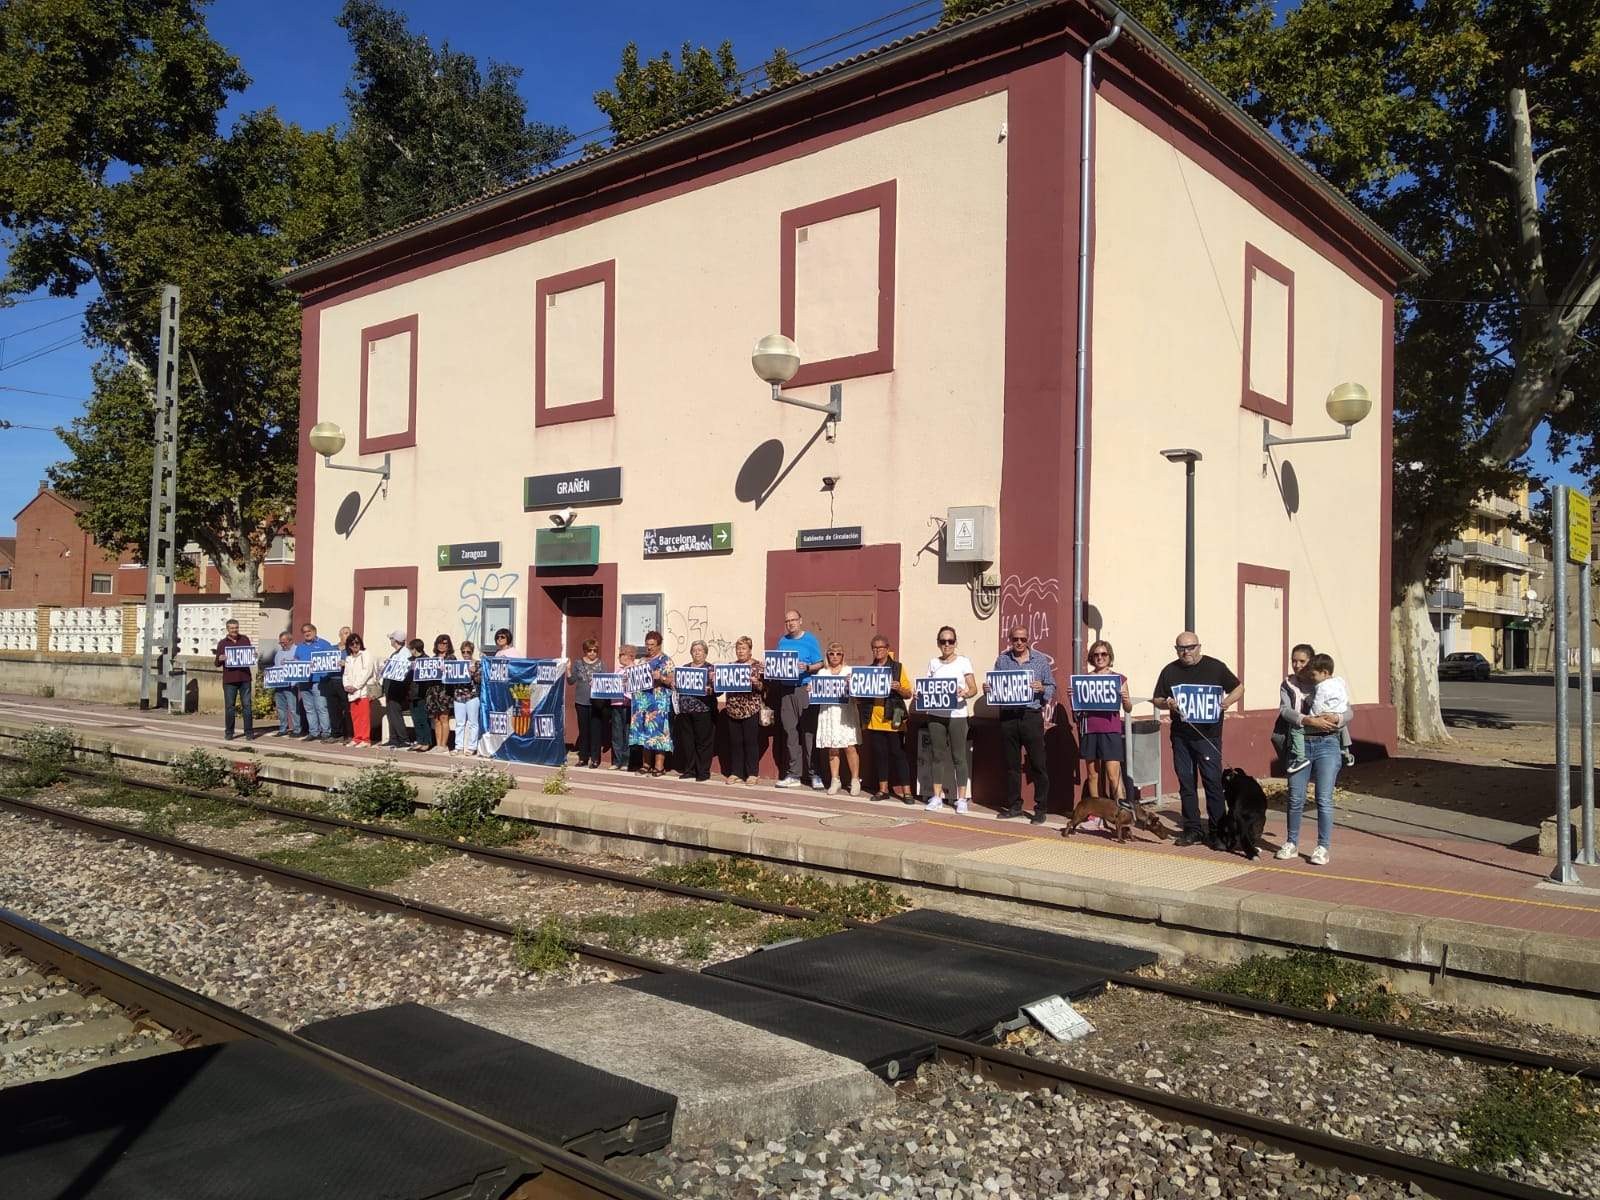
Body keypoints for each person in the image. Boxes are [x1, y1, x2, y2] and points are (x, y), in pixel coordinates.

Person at [1153, 631, 1243, 848]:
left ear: (1199, 647)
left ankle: (1218, 831)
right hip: (1181, 736)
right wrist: (1168, 704)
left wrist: (1227, 702)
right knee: (1186, 782)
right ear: (1176, 650)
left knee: (1212, 782)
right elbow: (1157, 699)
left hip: (1208, 736)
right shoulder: (1170, 670)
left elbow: (1238, 687)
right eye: (1181, 648)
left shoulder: (1216, 667)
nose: (1186, 652)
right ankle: (1193, 829)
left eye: (1190, 647)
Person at [1278, 652, 1349, 865]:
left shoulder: (1331, 683)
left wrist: (1337, 717)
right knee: (1295, 797)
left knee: (1324, 798)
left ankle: (1322, 847)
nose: (1297, 665)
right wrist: (1308, 720)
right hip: (1300, 744)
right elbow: (1284, 711)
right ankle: (1291, 843)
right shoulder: (1289, 685)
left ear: (1313, 665)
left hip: (1327, 743)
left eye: (1302, 661)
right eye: (1294, 660)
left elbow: (1348, 711)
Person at [988, 625, 1057, 824]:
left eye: (1022, 639)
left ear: (1028, 640)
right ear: (1010, 639)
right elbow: (996, 687)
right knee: (1011, 765)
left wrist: (1042, 688)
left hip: (1031, 715)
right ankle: (1014, 806)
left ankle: (1041, 808)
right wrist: (989, 689)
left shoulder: (1040, 660)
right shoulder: (1002, 660)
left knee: (1038, 763)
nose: (1019, 642)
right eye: (1015, 639)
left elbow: (1051, 685)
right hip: (1008, 716)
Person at [1072, 639, 1133, 827]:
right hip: (1090, 730)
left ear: (1109, 657)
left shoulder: (1119, 679)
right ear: (1092, 657)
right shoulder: (1084, 679)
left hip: (1110, 730)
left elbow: (1128, 708)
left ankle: (1122, 814)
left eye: (1103, 654)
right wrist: (1072, 698)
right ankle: (1095, 814)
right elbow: (1077, 713)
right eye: (1096, 655)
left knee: (1113, 775)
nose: (1100, 658)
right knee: (1092, 775)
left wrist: (1125, 699)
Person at [921, 626, 977, 813]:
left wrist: (965, 692)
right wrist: (920, 693)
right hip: (936, 715)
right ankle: (936, 796)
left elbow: (973, 688)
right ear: (938, 643)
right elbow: (928, 687)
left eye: (950, 641)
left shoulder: (963, 662)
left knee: (959, 757)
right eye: (943, 641)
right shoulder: (933, 663)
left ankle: (961, 799)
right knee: (937, 756)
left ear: (955, 643)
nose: (947, 644)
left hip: (957, 716)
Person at [772, 609, 825, 789]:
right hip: (786, 691)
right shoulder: (782, 641)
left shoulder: (811, 639)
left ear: (800, 621)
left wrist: (808, 667)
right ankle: (794, 774)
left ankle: (814, 773)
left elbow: (820, 663)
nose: (790, 623)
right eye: (787, 621)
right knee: (790, 733)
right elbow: (778, 664)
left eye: (793, 620)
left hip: (805, 690)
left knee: (809, 733)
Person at [861, 636, 914, 803]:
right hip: (874, 720)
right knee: (880, 755)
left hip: (894, 719)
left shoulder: (897, 668)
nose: (877, 651)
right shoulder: (868, 670)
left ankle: (907, 792)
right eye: (874, 648)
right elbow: (861, 696)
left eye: (881, 647)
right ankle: (882, 790)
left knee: (899, 755)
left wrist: (899, 688)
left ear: (887, 648)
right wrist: (853, 685)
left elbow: (908, 694)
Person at [813, 642, 862, 795]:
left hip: (845, 712)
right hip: (828, 712)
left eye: (838, 653)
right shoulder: (822, 673)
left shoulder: (850, 671)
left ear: (843, 655)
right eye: (831, 653)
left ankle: (855, 780)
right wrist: (811, 689)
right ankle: (835, 780)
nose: (835, 656)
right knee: (833, 747)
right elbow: (816, 692)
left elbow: (859, 694)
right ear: (827, 655)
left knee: (849, 746)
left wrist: (852, 684)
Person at [718, 636, 765, 784]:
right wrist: (716, 679)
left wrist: (756, 682)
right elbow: (722, 686)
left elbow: (764, 688)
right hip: (733, 709)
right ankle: (736, 772)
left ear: (750, 650)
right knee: (735, 742)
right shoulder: (731, 666)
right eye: (738, 648)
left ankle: (752, 773)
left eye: (744, 648)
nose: (740, 651)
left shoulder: (758, 666)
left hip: (750, 709)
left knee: (751, 742)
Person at [630, 630, 675, 775]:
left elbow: (672, 681)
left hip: (658, 703)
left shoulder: (665, 660)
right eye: (647, 644)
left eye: (652, 645)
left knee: (658, 733)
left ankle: (659, 766)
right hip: (642, 702)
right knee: (644, 733)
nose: (649, 647)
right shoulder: (642, 661)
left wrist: (660, 677)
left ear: (659, 645)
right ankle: (646, 764)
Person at [675, 640, 715, 782]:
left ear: (705, 653)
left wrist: (710, 688)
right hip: (686, 710)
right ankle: (689, 770)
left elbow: (718, 691)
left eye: (700, 650)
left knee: (703, 742)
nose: (697, 652)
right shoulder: (685, 668)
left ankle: (703, 771)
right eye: (694, 650)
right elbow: (678, 686)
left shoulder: (711, 669)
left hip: (703, 710)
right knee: (688, 741)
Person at [212, 618, 256, 741]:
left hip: (245, 678)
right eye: (232, 628)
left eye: (236, 627)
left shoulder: (245, 639)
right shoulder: (222, 643)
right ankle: (229, 732)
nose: (234, 630)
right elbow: (216, 663)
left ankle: (249, 732)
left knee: (247, 706)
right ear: (227, 629)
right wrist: (220, 659)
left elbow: (249, 656)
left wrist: (253, 656)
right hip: (229, 680)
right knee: (230, 707)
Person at [293, 623, 336, 742]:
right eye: (304, 631)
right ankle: (313, 732)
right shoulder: (300, 646)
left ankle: (326, 732)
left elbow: (333, 658)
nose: (307, 633)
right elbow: (296, 660)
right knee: (309, 708)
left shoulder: (324, 644)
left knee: (321, 707)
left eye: (309, 631)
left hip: (318, 681)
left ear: (314, 631)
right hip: (304, 681)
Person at [568, 639, 604, 768]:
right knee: (583, 731)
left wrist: (597, 684)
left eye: (595, 650)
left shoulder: (601, 664)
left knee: (595, 731)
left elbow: (605, 683)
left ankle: (595, 759)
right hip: (581, 701)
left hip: (596, 702)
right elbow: (571, 681)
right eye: (590, 650)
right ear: (585, 651)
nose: (592, 653)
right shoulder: (578, 663)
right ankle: (583, 757)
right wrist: (568, 670)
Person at [341, 632, 377, 747]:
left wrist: (356, 686)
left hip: (363, 690)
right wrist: (347, 686)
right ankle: (357, 737)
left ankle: (365, 739)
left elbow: (366, 672)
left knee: (364, 716)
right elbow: (345, 674)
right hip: (351, 691)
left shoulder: (366, 654)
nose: (355, 645)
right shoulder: (348, 658)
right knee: (355, 716)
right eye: (352, 644)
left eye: (357, 643)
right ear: (348, 646)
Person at [381, 630, 413, 749]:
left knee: (395, 713)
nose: (390, 641)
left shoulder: (404, 653)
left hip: (398, 689)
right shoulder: (396, 653)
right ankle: (393, 738)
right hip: (391, 688)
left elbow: (402, 671)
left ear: (395, 640)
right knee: (390, 713)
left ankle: (403, 738)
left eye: (391, 639)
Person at [610, 644, 639, 771]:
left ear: (630, 656)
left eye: (621, 654)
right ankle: (617, 761)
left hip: (629, 705)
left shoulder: (636, 670)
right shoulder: (618, 670)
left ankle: (626, 761)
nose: (619, 657)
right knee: (617, 734)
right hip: (616, 704)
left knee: (627, 733)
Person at [425, 634, 456, 751]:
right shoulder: (432, 658)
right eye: (439, 643)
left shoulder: (451, 658)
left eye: (444, 643)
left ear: (448, 645)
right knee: (436, 719)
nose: (442, 646)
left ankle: (444, 745)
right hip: (433, 692)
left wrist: (446, 669)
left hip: (445, 692)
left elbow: (454, 674)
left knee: (444, 717)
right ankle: (438, 744)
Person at [323, 625, 354, 741]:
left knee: (347, 708)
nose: (347, 635)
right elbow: (322, 661)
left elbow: (357, 664)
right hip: (331, 681)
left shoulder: (352, 650)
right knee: (333, 709)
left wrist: (346, 664)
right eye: (345, 633)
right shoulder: (331, 648)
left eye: (349, 633)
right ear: (340, 635)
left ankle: (349, 734)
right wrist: (315, 665)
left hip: (344, 682)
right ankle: (336, 733)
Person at [452, 640, 481, 757]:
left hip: (472, 696)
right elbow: (449, 678)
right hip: (458, 695)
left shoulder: (477, 664)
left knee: (473, 722)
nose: (465, 654)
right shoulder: (458, 664)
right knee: (459, 723)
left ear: (472, 652)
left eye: (468, 652)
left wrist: (474, 673)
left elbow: (480, 680)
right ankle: (458, 747)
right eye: (463, 652)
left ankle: (472, 747)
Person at [269, 630, 300, 737]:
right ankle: (283, 728)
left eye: (284, 642)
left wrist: (295, 683)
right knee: (281, 708)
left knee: (293, 708)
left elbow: (298, 667)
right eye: (281, 643)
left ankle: (297, 729)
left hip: (290, 685)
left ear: (290, 640)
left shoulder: (297, 650)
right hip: (279, 685)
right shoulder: (279, 653)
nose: (282, 645)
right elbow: (276, 667)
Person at [406, 638, 433, 751]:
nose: (410, 651)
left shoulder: (426, 660)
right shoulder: (409, 660)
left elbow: (429, 676)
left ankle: (426, 741)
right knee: (416, 719)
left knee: (423, 718)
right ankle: (419, 740)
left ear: (415, 649)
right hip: (411, 693)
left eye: (411, 649)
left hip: (422, 694)